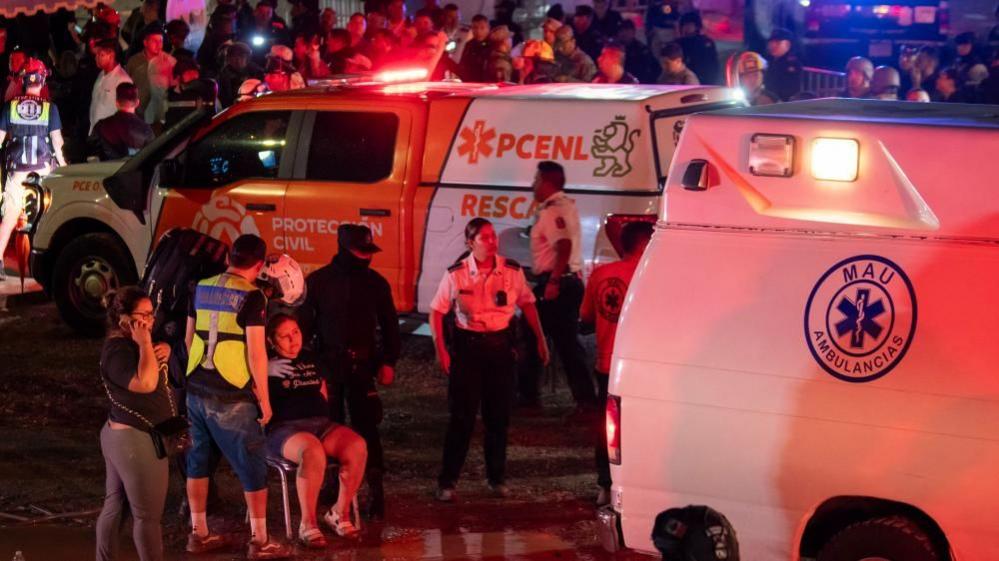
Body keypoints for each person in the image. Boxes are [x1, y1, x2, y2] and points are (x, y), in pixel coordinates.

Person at [184, 234, 292, 559]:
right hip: (232, 395)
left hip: (196, 390)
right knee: (252, 466)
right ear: (259, 265)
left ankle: (198, 533)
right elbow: (257, 354)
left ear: (230, 256)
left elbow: (189, 341)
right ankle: (260, 541)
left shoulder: (200, 286)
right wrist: (265, 400)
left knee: (198, 463)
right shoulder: (253, 296)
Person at [430, 218, 549, 502]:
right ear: (471, 242)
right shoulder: (457, 274)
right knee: (462, 418)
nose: (493, 241)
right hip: (468, 350)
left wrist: (540, 339)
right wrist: (441, 349)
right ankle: (448, 481)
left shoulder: (510, 271)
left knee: (498, 418)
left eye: (494, 236)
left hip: (500, 351)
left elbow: (527, 303)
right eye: (485, 237)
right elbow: (437, 311)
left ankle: (496, 478)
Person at [301, 224, 400, 521]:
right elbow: (304, 328)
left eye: (369, 251)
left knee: (367, 428)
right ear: (345, 249)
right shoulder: (319, 282)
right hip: (328, 367)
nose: (366, 257)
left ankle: (375, 491)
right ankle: (331, 484)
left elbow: (391, 326)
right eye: (361, 251)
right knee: (328, 427)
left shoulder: (375, 283)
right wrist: (311, 368)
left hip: (362, 367)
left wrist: (389, 362)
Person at [265, 314, 368, 544]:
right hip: (284, 429)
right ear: (272, 341)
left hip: (320, 424)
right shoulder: (264, 360)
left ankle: (339, 513)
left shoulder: (311, 358)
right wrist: (264, 368)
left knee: (357, 446)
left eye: (296, 332)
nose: (293, 340)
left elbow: (322, 391)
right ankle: (307, 523)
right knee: (312, 450)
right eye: (285, 336)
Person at [96, 287, 174, 561]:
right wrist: (144, 345)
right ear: (124, 320)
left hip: (127, 438)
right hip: (133, 442)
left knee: (116, 505)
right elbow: (145, 383)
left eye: (153, 315)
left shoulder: (134, 343)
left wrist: (162, 348)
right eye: (144, 315)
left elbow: (154, 369)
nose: (151, 321)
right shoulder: (118, 351)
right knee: (147, 518)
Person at [580, 220, 653, 506]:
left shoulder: (601, 275)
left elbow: (585, 316)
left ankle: (605, 485)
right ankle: (641, 487)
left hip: (607, 365)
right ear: (645, 245)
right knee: (643, 427)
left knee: (607, 430)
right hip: (642, 366)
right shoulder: (653, 275)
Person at [529, 161, 596, 412]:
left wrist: (554, 282)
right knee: (568, 345)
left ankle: (528, 398)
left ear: (546, 182)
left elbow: (564, 246)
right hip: (569, 282)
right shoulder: (565, 205)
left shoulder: (551, 211)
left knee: (532, 336)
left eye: (536, 179)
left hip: (556, 284)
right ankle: (585, 400)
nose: (532, 185)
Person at [0, 61, 67, 280]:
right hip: (44, 172)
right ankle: (44, 266)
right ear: (43, 80)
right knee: (45, 219)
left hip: (17, 170)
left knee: (9, 218)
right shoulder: (50, 108)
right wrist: (65, 169)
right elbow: (57, 144)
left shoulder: (9, 106)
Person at [126, 23, 177, 124]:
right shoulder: (134, 62)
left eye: (160, 41)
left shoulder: (170, 62)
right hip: (138, 116)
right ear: (145, 42)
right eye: (154, 41)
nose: (159, 44)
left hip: (160, 116)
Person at [89, 82, 154, 160]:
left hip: (108, 170)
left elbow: (91, 153)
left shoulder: (101, 125)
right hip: (134, 170)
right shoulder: (146, 130)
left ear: (116, 103)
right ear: (137, 103)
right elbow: (152, 157)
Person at [90, 39, 134, 135]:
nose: (96, 58)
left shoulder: (123, 80)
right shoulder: (101, 74)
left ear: (111, 56)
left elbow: (128, 115)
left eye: (100, 55)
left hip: (111, 136)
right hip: (96, 132)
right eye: (96, 54)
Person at [164, 59, 217, 130]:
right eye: (188, 73)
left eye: (194, 72)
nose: (193, 76)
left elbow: (212, 115)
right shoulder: (171, 96)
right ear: (178, 77)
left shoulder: (207, 87)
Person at [218, 42, 263, 107]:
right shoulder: (223, 75)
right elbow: (223, 98)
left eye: (241, 56)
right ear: (229, 59)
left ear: (247, 59)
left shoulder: (256, 72)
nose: (238, 60)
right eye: (234, 56)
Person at [763, 28, 801, 101]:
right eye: (771, 42)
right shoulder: (769, 60)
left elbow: (789, 89)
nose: (772, 45)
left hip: (782, 103)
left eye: (777, 42)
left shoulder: (792, 64)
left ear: (787, 44)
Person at [458, 14, 491, 81]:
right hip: (470, 83)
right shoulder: (469, 45)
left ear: (488, 28)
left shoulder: (493, 45)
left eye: (482, 28)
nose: (478, 31)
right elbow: (463, 64)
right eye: (475, 28)